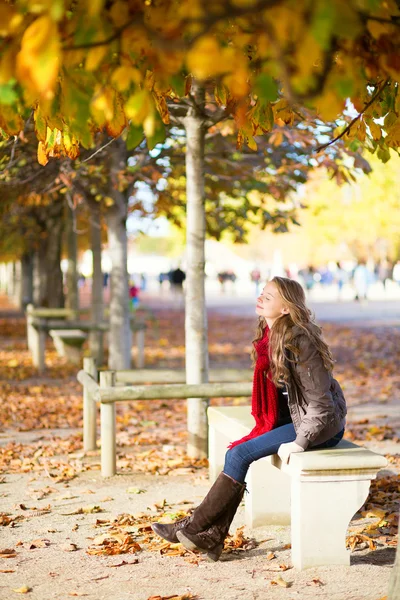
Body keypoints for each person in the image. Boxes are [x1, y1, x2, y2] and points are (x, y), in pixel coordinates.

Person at [151, 276, 347, 561]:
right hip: (293, 419)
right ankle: (209, 537)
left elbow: (321, 406)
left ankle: (197, 529)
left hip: (319, 425)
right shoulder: (271, 336)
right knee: (237, 452)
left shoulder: (300, 341)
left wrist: (301, 442)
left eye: (269, 296)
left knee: (240, 454)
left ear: (285, 309)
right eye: (262, 293)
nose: (260, 298)